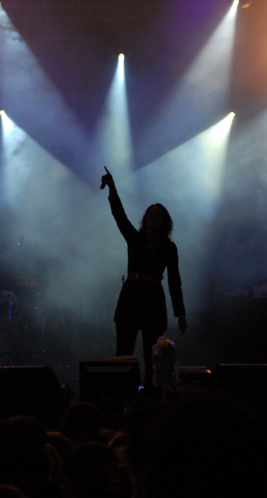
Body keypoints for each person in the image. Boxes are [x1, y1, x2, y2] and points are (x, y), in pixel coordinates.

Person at [100, 167, 187, 391]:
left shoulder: (169, 248)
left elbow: (174, 281)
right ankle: (123, 398)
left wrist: (181, 313)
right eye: (151, 212)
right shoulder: (135, 238)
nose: (153, 216)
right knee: (124, 353)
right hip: (131, 297)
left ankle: (151, 397)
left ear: (165, 221)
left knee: (153, 356)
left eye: (158, 213)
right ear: (146, 219)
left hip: (153, 300)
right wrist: (112, 188)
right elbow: (119, 216)